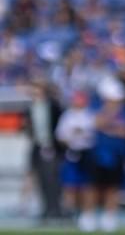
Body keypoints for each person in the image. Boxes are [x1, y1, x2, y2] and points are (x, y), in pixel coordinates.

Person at [90, 77, 125, 233]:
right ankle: (91, 216)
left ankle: (109, 217)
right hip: (98, 154)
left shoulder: (124, 112)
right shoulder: (97, 107)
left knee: (113, 187)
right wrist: (111, 118)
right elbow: (96, 124)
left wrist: (109, 125)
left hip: (117, 154)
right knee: (94, 187)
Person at [23, 79, 65, 222]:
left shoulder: (53, 106)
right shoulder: (30, 107)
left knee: (54, 179)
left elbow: (60, 125)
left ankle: (57, 208)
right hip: (38, 146)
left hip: (52, 146)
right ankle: (46, 209)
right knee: (41, 179)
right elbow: (29, 128)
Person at [55, 90, 96, 231]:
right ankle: (70, 214)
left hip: (87, 152)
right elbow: (61, 135)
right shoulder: (67, 116)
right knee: (70, 186)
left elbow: (93, 134)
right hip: (72, 152)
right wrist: (72, 135)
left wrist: (80, 133)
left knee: (87, 186)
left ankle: (87, 215)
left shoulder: (90, 115)